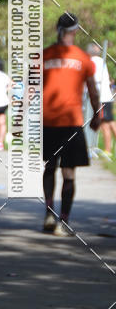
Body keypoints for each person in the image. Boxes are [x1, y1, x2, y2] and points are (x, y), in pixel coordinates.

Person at [42, 13, 101, 237]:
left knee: (49, 167)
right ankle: (63, 221)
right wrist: (97, 115)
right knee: (69, 173)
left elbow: (30, 88)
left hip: (49, 121)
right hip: (72, 123)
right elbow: (93, 91)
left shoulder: (44, 56)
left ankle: (48, 213)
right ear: (75, 31)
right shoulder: (83, 58)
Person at [88, 43, 116, 157]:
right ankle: (108, 150)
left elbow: (93, 79)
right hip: (106, 97)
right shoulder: (100, 60)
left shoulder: (93, 61)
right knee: (110, 123)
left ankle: (108, 151)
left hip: (102, 97)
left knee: (105, 124)